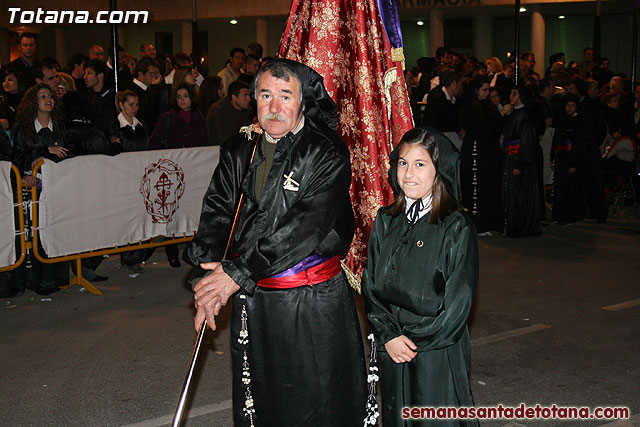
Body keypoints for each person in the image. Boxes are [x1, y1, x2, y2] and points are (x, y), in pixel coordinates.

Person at [185, 58, 367, 426]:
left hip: (311, 301)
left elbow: (304, 227)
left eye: (286, 96)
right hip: (254, 297)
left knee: (315, 400)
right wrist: (205, 280)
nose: (274, 107)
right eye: (266, 95)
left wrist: (235, 273)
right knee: (265, 399)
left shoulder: (326, 151)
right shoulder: (240, 146)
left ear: (302, 103)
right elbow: (218, 212)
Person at [362, 127, 479, 427]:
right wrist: (389, 336)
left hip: (436, 349)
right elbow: (371, 286)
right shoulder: (386, 220)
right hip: (393, 346)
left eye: (420, 164)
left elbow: (458, 305)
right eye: (403, 163)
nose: (409, 173)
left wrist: (413, 342)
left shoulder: (456, 226)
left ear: (438, 170)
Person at [12, 84, 73, 294]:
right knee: (38, 233)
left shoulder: (61, 126)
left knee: (59, 229)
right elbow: (18, 157)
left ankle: (59, 277)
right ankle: (40, 281)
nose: (48, 100)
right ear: (33, 102)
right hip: (36, 190)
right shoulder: (24, 128)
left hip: (59, 188)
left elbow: (69, 153)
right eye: (42, 97)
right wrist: (42, 151)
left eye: (50, 96)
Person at [459, 76, 507, 235]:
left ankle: (489, 221)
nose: (487, 93)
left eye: (488, 90)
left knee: (489, 185)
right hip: (476, 151)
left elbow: (496, 126)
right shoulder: (470, 106)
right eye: (484, 90)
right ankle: (478, 224)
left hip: (488, 152)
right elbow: (478, 126)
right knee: (476, 187)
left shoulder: (488, 106)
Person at [502, 86, 542, 237]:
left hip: (519, 160)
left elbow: (527, 142)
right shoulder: (514, 114)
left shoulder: (525, 117)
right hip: (511, 158)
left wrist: (519, 163)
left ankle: (520, 226)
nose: (511, 96)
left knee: (519, 194)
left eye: (514, 93)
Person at [551, 94, 585, 224]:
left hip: (571, 158)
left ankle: (569, 216)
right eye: (567, 105)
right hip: (561, 157)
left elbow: (578, 144)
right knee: (560, 187)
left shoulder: (579, 122)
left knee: (570, 189)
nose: (570, 108)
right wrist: (552, 157)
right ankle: (558, 215)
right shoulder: (561, 120)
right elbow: (556, 140)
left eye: (573, 106)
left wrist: (574, 163)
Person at [205, 80, 253, 146]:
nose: (249, 99)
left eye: (249, 95)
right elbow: (220, 138)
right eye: (245, 95)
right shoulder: (218, 110)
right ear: (234, 97)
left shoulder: (248, 111)